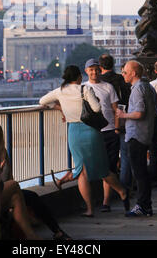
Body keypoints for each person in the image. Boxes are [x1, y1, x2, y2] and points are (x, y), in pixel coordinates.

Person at [39, 65, 130, 217]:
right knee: (102, 168)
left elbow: (42, 100)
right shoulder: (84, 90)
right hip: (91, 130)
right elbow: (95, 109)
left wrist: (59, 107)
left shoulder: (60, 91)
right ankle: (122, 191)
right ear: (79, 77)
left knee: (81, 170)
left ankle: (89, 209)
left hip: (74, 131)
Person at [0, 121, 71, 240]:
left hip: (6, 190)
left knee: (32, 196)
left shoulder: (2, 151)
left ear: (0, 134)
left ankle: (56, 231)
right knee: (16, 188)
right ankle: (32, 230)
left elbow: (9, 177)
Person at [116, 60, 157, 217]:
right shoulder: (149, 87)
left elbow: (139, 113)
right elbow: (154, 110)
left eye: (125, 72)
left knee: (139, 173)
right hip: (146, 133)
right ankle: (146, 205)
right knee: (142, 172)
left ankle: (142, 205)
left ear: (134, 73)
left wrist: (123, 115)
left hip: (136, 135)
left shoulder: (138, 89)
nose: (123, 74)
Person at [84, 58, 121, 212]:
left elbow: (115, 109)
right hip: (92, 133)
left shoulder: (108, 87)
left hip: (110, 131)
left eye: (96, 69)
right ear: (86, 71)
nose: (94, 72)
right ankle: (91, 203)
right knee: (90, 167)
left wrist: (117, 128)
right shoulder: (82, 88)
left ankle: (106, 202)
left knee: (109, 168)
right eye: (91, 69)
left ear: (100, 70)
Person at [99, 55, 132, 195]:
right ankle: (125, 187)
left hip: (105, 124)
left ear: (100, 67)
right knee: (125, 155)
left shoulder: (99, 82)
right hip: (124, 119)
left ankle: (109, 192)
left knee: (104, 158)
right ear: (113, 65)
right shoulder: (120, 79)